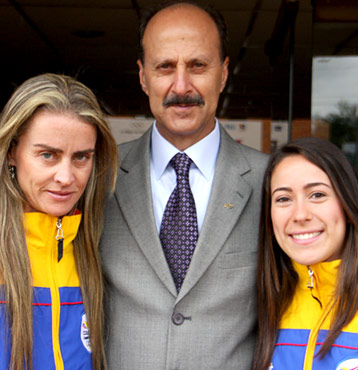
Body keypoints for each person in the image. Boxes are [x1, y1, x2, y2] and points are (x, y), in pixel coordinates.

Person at [100, 1, 268, 369]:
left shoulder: (272, 183)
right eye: (165, 67)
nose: (181, 86)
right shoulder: (98, 178)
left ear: (223, 74)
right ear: (143, 77)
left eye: (197, 65)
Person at [0, 73, 117, 370]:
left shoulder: (98, 244)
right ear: (13, 151)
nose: (66, 178)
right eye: (48, 155)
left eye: (81, 157)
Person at [252, 137, 358, 370]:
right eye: (283, 199)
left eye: (317, 195)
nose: (300, 215)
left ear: (346, 203)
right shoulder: (266, 300)